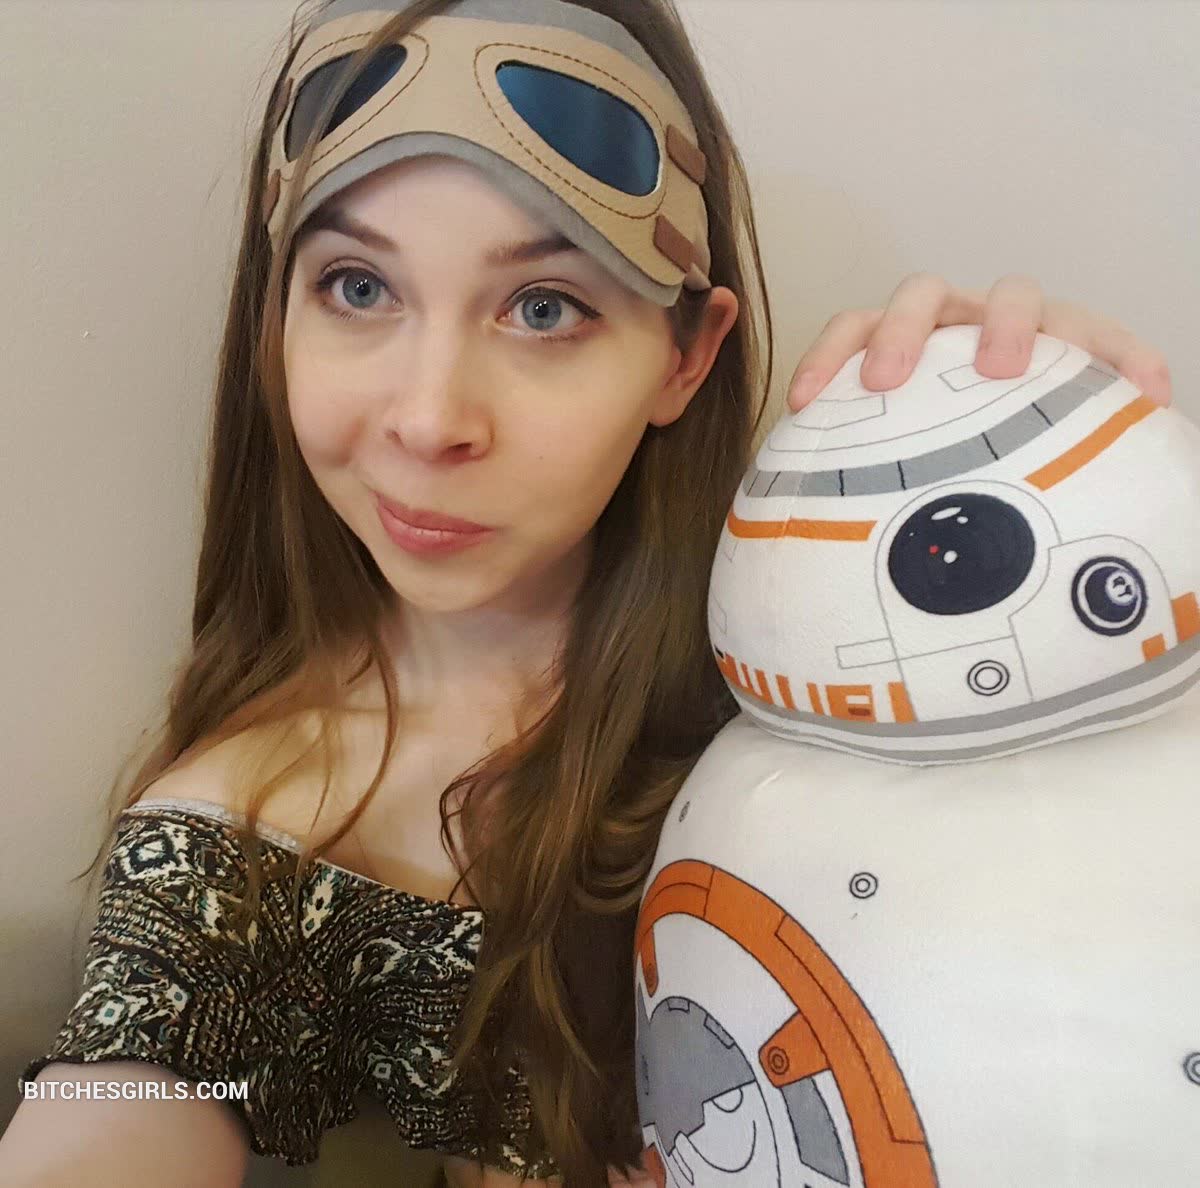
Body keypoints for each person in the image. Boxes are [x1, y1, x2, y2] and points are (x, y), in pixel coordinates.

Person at [0, 0, 1172, 1185]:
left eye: (543, 307)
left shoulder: (842, 646)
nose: (430, 418)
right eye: (356, 287)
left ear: (686, 356)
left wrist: (1073, 493)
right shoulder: (240, 849)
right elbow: (110, 1105)